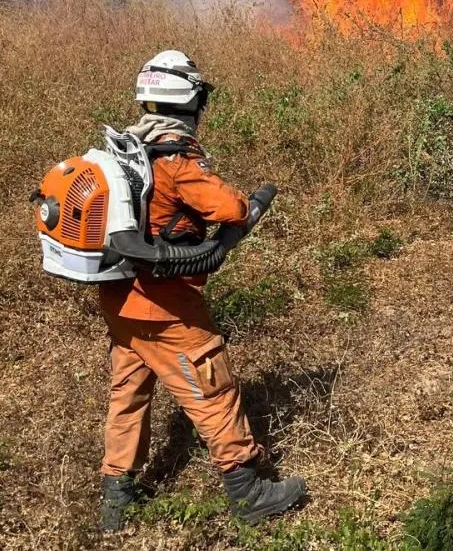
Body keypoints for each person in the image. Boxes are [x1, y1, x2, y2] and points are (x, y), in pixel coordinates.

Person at [98, 51, 306, 531]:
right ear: (190, 100)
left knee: (128, 392)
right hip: (164, 301)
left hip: (120, 299)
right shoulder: (174, 159)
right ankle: (247, 489)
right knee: (212, 386)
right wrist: (252, 201)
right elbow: (231, 209)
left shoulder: (125, 148)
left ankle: (116, 498)